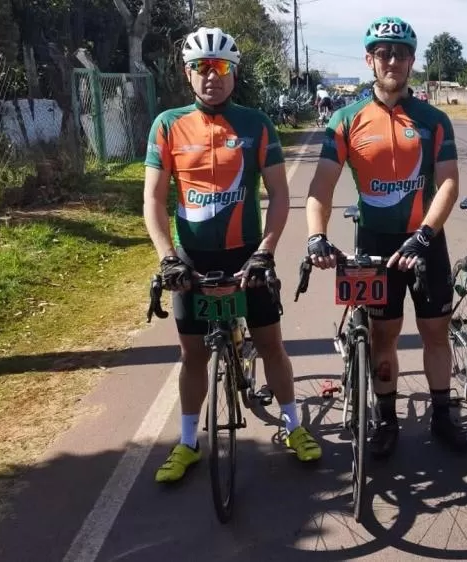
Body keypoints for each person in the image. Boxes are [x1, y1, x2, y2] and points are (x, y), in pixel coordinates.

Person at [143, 26, 322, 484]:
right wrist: (167, 256)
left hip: (247, 255)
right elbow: (153, 200)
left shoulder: (256, 124)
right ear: (188, 73)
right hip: (192, 259)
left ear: (234, 74)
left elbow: (280, 195)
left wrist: (266, 251)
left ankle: (294, 426)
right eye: (202, 67)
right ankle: (187, 443)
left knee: (271, 344)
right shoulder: (167, 124)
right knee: (193, 356)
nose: (211, 76)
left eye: (220, 67)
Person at [304, 16, 467, 457]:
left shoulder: (434, 120)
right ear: (370, 60)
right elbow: (320, 189)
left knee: (436, 332)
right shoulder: (346, 119)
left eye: (400, 53)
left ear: (412, 60)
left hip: (425, 244)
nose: (392, 60)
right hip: (374, 246)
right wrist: (316, 236)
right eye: (383, 53)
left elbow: (449, 183)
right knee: (383, 337)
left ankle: (440, 416)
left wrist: (425, 235)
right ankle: (388, 420)